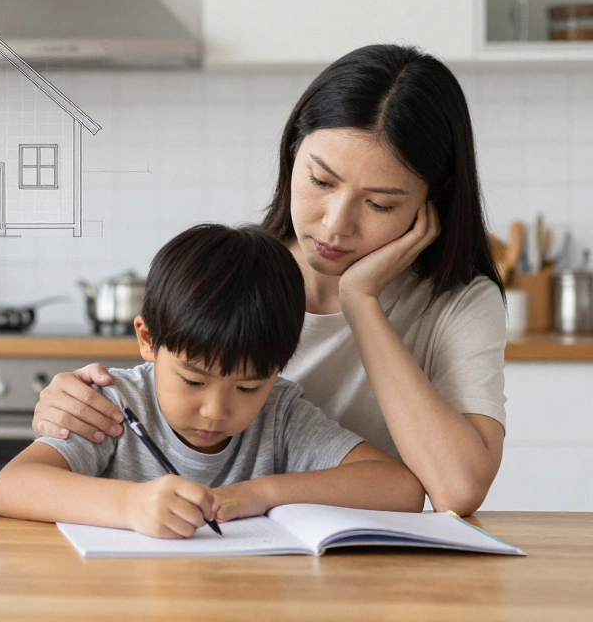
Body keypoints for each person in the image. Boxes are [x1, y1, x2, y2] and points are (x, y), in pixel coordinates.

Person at [32, 44, 506, 515]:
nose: (336, 224)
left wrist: (361, 301)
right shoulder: (241, 271)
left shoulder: (457, 303)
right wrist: (70, 409)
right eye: (321, 181)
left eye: (380, 204)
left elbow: (457, 491)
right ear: (293, 153)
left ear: (433, 198)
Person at [0, 225, 423, 537]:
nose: (216, 411)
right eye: (193, 381)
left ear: (281, 365)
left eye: (248, 387)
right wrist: (129, 505)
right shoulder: (114, 405)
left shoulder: (281, 413)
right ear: (147, 339)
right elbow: (12, 486)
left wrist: (263, 492)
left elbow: (401, 488)